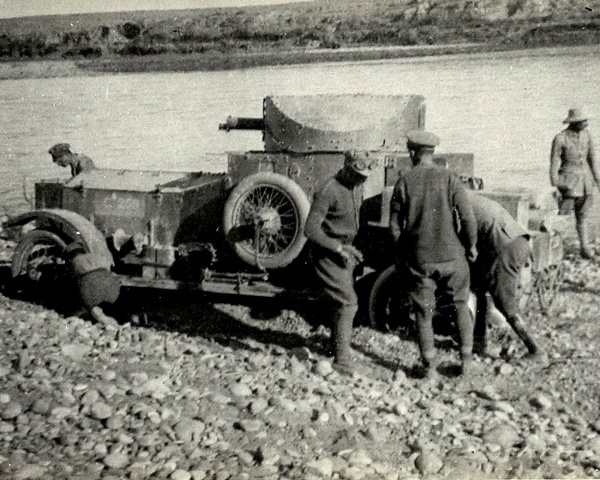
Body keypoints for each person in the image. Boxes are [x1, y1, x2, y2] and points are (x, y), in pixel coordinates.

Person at [389, 130, 478, 378]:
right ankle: (467, 363)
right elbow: (468, 218)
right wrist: (471, 246)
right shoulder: (450, 178)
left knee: (423, 313)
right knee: (460, 305)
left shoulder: (404, 181)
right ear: (433, 152)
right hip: (452, 255)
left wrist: (402, 253)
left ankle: (429, 368)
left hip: (421, 259)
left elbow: (394, 225)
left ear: (412, 153)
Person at [305, 150, 376, 376]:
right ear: (346, 168)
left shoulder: (353, 186)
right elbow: (310, 229)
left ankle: (334, 347)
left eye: (364, 176)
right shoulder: (329, 190)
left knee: (339, 302)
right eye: (357, 175)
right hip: (327, 254)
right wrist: (337, 248)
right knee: (348, 303)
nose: (362, 180)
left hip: (343, 252)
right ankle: (342, 362)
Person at [467, 191, 543, 359]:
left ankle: (535, 349)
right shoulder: (464, 196)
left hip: (505, 248)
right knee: (478, 286)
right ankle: (478, 340)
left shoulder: (454, 202)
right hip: (514, 241)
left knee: (505, 304)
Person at [550, 108, 599, 259]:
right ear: (574, 122)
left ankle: (584, 248)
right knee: (563, 216)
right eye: (583, 121)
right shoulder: (561, 138)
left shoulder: (587, 135)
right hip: (568, 184)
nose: (586, 123)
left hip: (586, 183)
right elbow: (555, 161)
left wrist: (597, 180)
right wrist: (555, 182)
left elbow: (592, 159)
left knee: (583, 216)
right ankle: (556, 250)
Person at [65, 242, 120, 322]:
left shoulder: (75, 261)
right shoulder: (95, 256)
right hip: (111, 286)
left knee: (91, 306)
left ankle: (97, 317)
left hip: (92, 289)